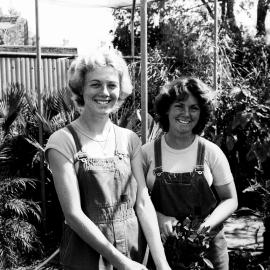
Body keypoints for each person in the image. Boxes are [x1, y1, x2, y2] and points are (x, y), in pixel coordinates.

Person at [45, 47, 171, 270]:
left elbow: (142, 202)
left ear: (120, 90)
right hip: (88, 258)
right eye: (95, 84)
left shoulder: (129, 139)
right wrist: (120, 262)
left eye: (112, 85)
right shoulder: (62, 141)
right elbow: (73, 214)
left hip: (135, 254)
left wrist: (162, 265)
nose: (104, 92)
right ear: (80, 88)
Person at [141, 77, 238, 270]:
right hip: (163, 251)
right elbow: (135, 202)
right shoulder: (147, 153)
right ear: (166, 109)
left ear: (201, 113)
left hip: (209, 251)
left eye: (194, 108)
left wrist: (207, 225)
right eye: (179, 106)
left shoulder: (211, 152)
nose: (186, 113)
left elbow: (230, 199)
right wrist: (159, 218)